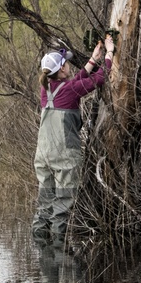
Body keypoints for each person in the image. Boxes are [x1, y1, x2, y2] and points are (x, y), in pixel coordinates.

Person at [32, 30, 116, 248]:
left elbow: (76, 83)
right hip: (63, 155)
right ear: (61, 69)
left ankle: (42, 250)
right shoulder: (68, 89)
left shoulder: (46, 89)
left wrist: (93, 60)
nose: (70, 66)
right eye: (67, 64)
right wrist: (109, 54)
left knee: (45, 203)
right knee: (63, 202)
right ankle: (58, 250)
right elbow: (100, 78)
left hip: (43, 156)